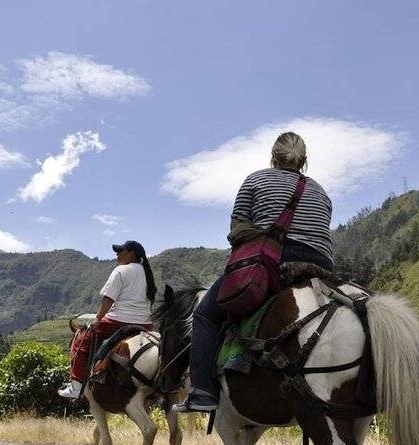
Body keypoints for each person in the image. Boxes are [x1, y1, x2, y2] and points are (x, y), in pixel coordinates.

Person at [173, 131, 334, 412]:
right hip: (321, 269)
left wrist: (263, 234)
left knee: (205, 315)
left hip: (276, 263)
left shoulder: (256, 179)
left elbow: (236, 232)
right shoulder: (321, 192)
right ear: (304, 161)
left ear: (273, 157)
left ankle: (203, 393)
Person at [58, 240, 158, 398]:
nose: (117, 254)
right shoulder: (147, 273)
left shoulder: (121, 270)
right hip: (145, 324)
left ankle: (76, 385)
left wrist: (98, 318)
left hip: (119, 320)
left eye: (121, 251)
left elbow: (109, 298)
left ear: (132, 253)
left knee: (81, 341)